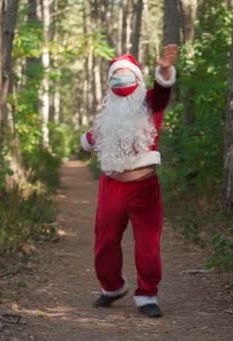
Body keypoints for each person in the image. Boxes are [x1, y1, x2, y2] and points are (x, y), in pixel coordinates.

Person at [80, 45, 179, 318]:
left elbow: (162, 92)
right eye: (116, 76)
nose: (121, 81)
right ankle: (112, 287)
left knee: (147, 243)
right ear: (109, 82)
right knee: (105, 240)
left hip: (143, 186)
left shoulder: (148, 102)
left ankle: (147, 294)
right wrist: (86, 140)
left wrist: (165, 70)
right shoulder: (108, 113)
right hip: (111, 184)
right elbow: (91, 139)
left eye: (127, 75)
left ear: (137, 79)